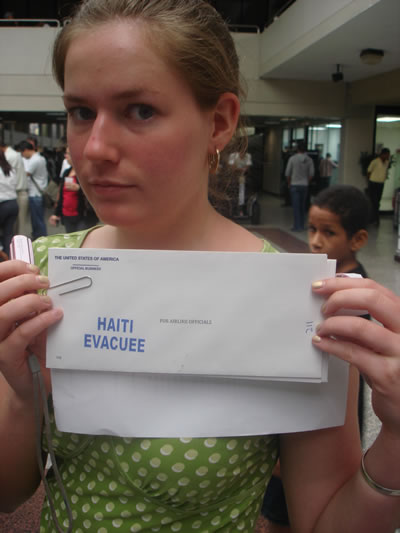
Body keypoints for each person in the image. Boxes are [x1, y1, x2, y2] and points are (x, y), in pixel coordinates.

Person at [1, 2, 400, 533]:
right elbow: (10, 494)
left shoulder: (294, 303)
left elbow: (325, 522)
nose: (94, 149)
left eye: (139, 110)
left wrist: (396, 439)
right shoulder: (45, 275)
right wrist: (20, 394)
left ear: (218, 121)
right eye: (80, 112)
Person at [262, 184, 372, 532]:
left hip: (327, 414)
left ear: (358, 240)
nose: (316, 241)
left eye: (329, 232)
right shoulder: (319, 278)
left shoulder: (355, 295)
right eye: (311, 229)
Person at [48, 146, 98, 232]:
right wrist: (56, 213)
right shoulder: (66, 172)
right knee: (71, 241)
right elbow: (62, 195)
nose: (65, 156)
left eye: (67, 154)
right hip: (67, 215)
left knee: (80, 241)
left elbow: (96, 193)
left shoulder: (87, 173)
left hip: (83, 216)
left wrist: (79, 189)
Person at [0, 136, 30, 236]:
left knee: (18, 228)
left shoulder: (9, 156)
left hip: (17, 194)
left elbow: (6, 179)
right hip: (15, 194)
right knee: (14, 228)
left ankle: (20, 250)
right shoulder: (11, 154)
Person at [19, 139, 48, 239]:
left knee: (37, 220)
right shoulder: (40, 158)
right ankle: (39, 236)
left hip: (35, 194)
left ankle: (40, 238)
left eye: (22, 152)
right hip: (38, 192)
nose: (22, 155)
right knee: (37, 218)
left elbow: (26, 173)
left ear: (26, 150)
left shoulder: (34, 160)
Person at [285, 141, 314, 231]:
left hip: (294, 185)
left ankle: (297, 226)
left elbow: (287, 173)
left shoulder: (292, 159)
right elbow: (311, 174)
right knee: (302, 206)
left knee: (296, 207)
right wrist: (307, 182)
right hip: (304, 185)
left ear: (297, 149)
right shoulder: (309, 159)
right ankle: (302, 225)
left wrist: (289, 183)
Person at [0, 150, 18, 257]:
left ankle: (3, 257)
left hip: (2, 204)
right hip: (13, 204)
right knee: (8, 233)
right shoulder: (10, 169)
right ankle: (9, 257)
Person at [367, 147, 390, 226]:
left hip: (381, 183)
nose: (388, 156)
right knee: (375, 202)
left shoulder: (387, 162)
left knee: (377, 201)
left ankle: (373, 219)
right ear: (383, 154)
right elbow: (369, 171)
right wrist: (370, 182)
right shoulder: (375, 162)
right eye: (387, 155)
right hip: (373, 183)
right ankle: (376, 219)